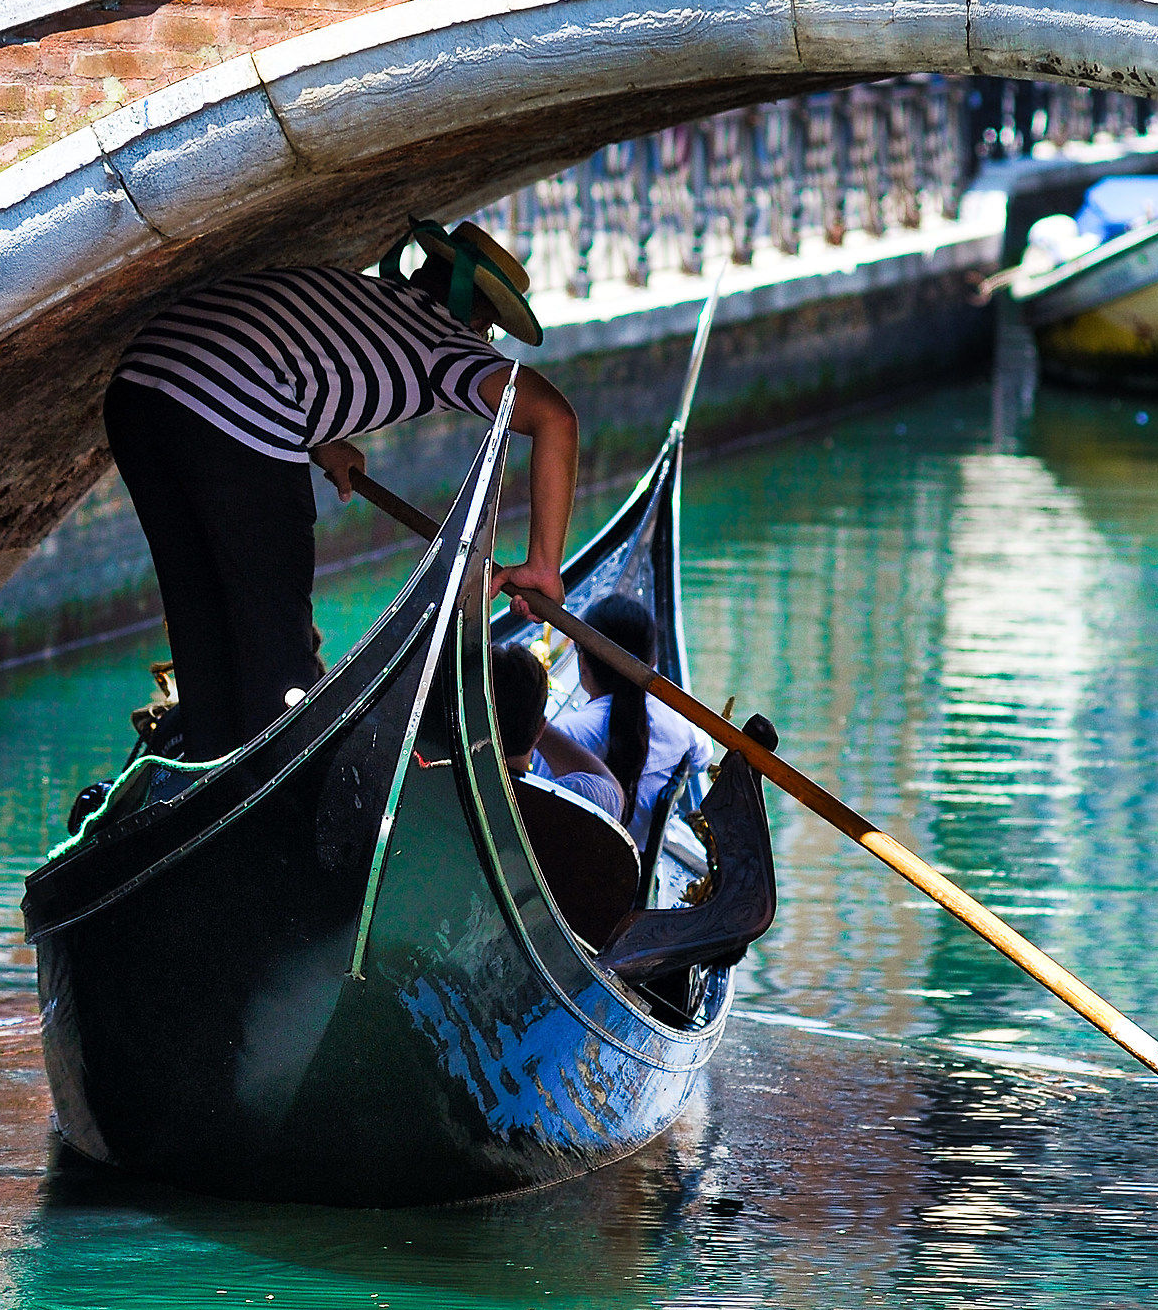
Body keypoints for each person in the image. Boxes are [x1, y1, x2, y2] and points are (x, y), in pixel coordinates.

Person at [102, 220, 579, 761]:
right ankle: (285, 791)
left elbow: (290, 356)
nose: (486, 344)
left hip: (137, 393)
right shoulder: (445, 340)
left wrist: (325, 443)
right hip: (228, 410)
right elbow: (554, 417)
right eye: (489, 330)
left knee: (200, 618)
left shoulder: (358, 295)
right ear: (476, 315)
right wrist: (543, 565)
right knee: (278, 652)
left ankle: (207, 759)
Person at [548, 594, 713, 851]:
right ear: (653, 662)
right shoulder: (682, 727)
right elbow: (703, 756)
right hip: (640, 876)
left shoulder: (565, 735)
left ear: (583, 663)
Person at [489, 643, 626, 819]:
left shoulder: (449, 789)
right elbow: (611, 788)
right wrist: (531, 715)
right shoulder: (558, 806)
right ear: (540, 730)